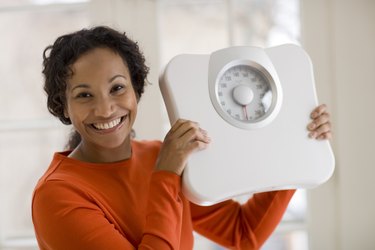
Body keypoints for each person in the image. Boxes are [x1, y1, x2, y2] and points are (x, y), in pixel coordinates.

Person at [32, 26, 332, 250]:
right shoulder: (57, 195)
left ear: (136, 90)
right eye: (84, 95)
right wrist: (166, 175)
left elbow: (242, 233)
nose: (105, 108)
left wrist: (297, 144)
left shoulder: (158, 157)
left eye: (118, 88)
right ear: (63, 106)